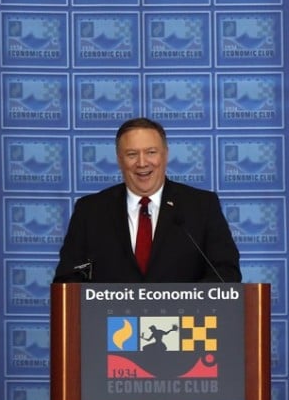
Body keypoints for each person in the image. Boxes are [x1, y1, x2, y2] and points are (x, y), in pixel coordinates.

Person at [53, 117, 242, 283]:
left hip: (183, 320)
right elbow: (68, 279)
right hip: (111, 321)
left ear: (165, 155)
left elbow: (225, 273)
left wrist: (184, 302)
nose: (142, 163)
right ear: (119, 159)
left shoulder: (201, 206)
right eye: (132, 154)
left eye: (151, 152)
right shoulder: (91, 210)